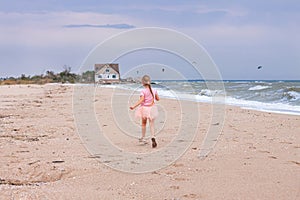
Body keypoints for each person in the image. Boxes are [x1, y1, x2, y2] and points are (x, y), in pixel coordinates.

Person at [130, 75, 160, 148]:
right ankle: (153, 137)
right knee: (151, 124)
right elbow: (158, 99)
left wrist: (134, 106)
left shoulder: (143, 91)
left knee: (144, 123)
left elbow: (141, 100)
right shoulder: (154, 90)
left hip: (145, 108)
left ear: (143, 83)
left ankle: (143, 137)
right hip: (152, 108)